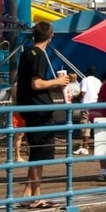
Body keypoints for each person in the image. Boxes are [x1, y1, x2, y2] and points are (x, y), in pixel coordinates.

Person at [14, 22, 72, 201]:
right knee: (40, 154)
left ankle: (28, 194)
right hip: (40, 110)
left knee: (35, 152)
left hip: (28, 106)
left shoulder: (26, 53)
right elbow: (36, 83)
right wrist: (58, 82)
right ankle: (36, 198)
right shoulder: (39, 54)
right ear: (51, 35)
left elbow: (29, 84)